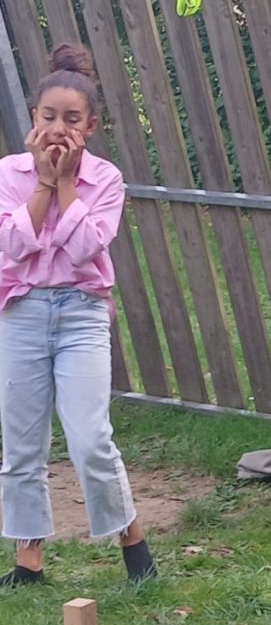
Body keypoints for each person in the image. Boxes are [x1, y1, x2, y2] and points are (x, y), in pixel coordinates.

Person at [0, 43, 155, 586]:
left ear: (89, 126)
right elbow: (12, 245)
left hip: (81, 313)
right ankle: (28, 561)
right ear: (33, 119)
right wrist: (43, 182)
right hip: (20, 312)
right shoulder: (9, 173)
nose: (58, 129)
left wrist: (66, 183)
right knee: (21, 445)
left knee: (90, 439)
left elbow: (88, 246)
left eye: (71, 120)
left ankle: (133, 542)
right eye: (48, 117)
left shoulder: (106, 179)